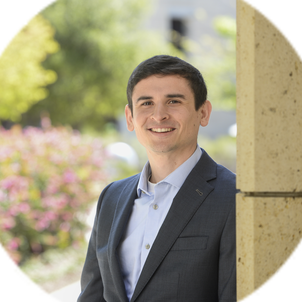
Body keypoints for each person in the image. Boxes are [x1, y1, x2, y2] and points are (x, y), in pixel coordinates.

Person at [77, 55, 236, 302]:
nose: (159, 115)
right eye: (146, 103)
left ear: (203, 112)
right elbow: (92, 295)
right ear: (130, 118)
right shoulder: (112, 197)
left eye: (173, 101)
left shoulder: (233, 198)